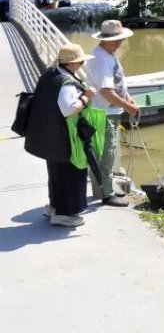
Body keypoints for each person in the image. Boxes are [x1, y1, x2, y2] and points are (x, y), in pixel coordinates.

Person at [24, 43, 97, 227]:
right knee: (70, 174)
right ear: (73, 64)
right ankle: (64, 214)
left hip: (49, 135)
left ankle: (54, 207)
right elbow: (69, 109)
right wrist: (86, 97)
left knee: (56, 174)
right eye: (80, 62)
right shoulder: (66, 83)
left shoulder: (50, 75)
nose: (81, 66)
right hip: (64, 138)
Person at [84, 19, 139, 206]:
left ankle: (103, 189)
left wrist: (128, 97)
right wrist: (128, 107)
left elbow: (117, 82)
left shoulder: (108, 54)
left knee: (107, 151)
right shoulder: (101, 59)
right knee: (107, 153)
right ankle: (105, 194)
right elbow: (106, 92)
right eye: (120, 39)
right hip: (104, 112)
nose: (122, 42)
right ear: (113, 40)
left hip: (109, 110)